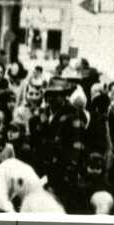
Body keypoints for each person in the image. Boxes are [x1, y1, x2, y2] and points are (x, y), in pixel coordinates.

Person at [34, 77, 86, 210]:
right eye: (50, 94)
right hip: (44, 170)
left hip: (62, 174)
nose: (52, 99)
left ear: (64, 96)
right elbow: (38, 141)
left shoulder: (72, 115)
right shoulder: (45, 114)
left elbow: (75, 150)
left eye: (56, 95)